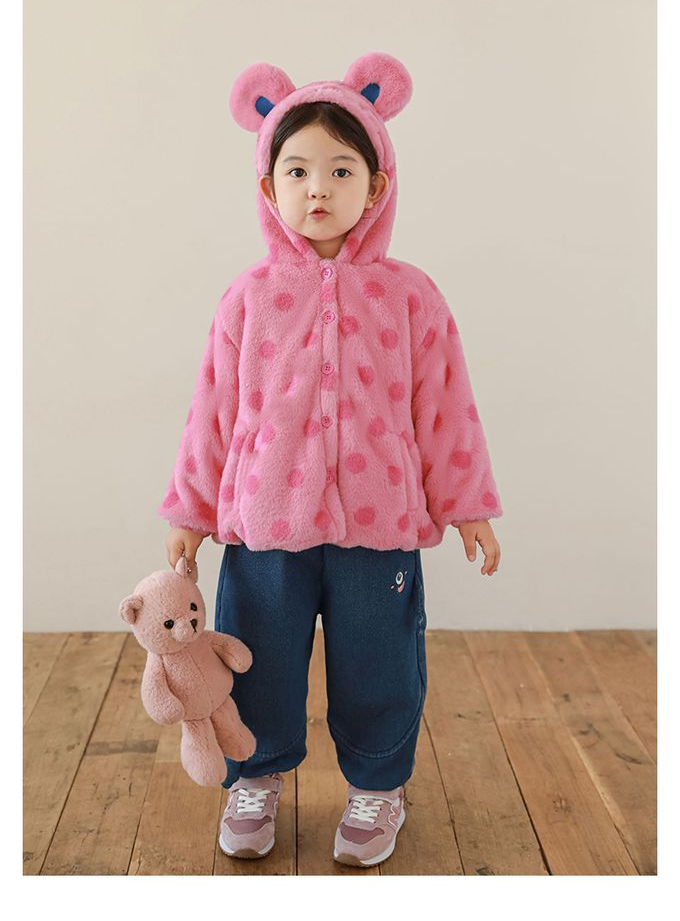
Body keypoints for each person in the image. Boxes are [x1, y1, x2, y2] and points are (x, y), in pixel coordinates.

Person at [158, 52, 503, 868]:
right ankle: (255, 775)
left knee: (380, 663)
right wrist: (190, 511)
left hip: (379, 530)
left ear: (376, 186)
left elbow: (445, 406)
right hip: (265, 528)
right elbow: (213, 409)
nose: (318, 188)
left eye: (341, 170)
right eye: (298, 170)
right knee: (258, 659)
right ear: (268, 185)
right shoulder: (247, 297)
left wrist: (467, 504)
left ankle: (378, 786)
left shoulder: (411, 295)